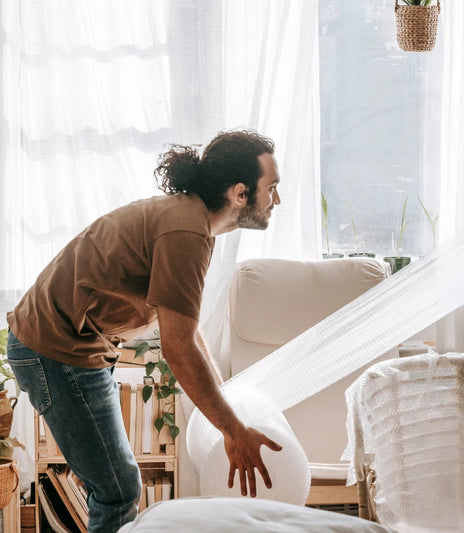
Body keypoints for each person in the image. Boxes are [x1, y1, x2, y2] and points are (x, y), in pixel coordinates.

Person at [5, 129, 284, 532]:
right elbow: (178, 346)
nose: (278, 199)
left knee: (109, 481)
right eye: (272, 188)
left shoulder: (191, 222)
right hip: (57, 348)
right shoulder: (185, 232)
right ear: (241, 193)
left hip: (75, 345)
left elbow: (185, 328)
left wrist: (227, 406)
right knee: (118, 489)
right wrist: (233, 430)